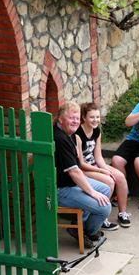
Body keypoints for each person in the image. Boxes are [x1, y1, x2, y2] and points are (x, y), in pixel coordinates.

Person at [54, 101, 112, 248]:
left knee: (105, 189)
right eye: (71, 118)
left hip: (72, 182)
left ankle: (81, 228)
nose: (75, 121)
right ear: (60, 119)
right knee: (104, 207)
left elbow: (77, 167)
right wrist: (92, 192)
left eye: (77, 118)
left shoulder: (70, 134)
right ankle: (87, 232)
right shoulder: (60, 138)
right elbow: (74, 171)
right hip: (61, 189)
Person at [76, 102, 130, 228]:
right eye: (92, 117)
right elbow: (81, 163)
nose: (95, 120)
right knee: (109, 182)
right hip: (83, 169)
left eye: (97, 117)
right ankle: (102, 218)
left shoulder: (97, 131)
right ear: (83, 117)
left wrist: (105, 169)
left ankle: (122, 213)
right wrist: (101, 172)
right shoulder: (78, 134)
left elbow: (98, 156)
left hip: (94, 164)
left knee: (120, 177)